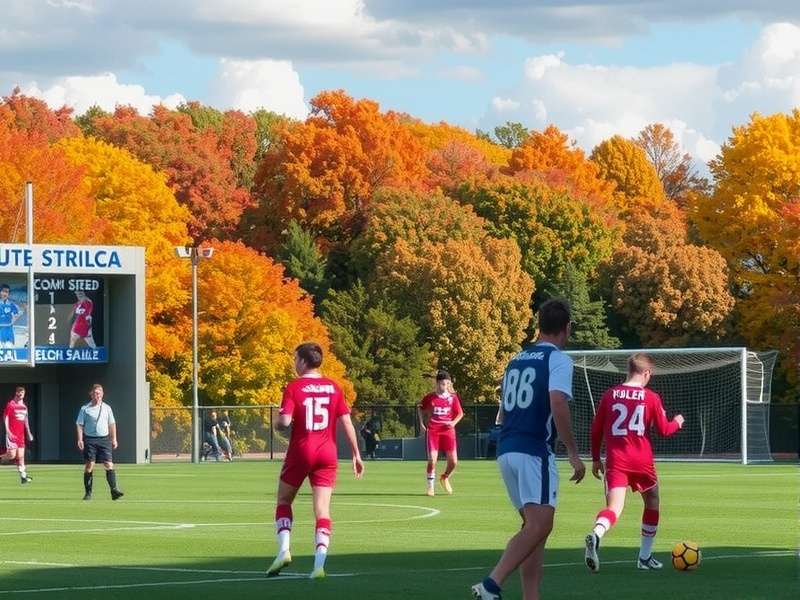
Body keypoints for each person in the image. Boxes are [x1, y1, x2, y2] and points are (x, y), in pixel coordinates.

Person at [473, 299, 586, 600]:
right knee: (541, 524)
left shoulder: (517, 359)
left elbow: (506, 409)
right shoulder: (559, 360)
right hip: (534, 450)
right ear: (567, 328)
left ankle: (530, 596)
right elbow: (558, 402)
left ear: (539, 326)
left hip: (507, 447)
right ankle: (491, 584)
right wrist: (573, 452)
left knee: (534, 529)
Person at [267, 342, 364, 580]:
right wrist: (356, 453)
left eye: (294, 358)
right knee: (322, 510)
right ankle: (319, 565)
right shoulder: (334, 387)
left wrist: (276, 421)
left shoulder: (294, 387)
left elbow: (285, 422)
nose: (293, 363)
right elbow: (346, 422)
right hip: (328, 453)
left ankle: (284, 550)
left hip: (301, 450)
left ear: (302, 361)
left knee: (283, 500)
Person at [584, 353, 685, 572]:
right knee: (652, 502)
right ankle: (644, 557)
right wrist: (677, 422)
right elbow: (664, 430)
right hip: (642, 461)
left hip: (616, 461)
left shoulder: (610, 395)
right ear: (646, 373)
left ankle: (597, 533)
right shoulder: (651, 397)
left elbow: (596, 430)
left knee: (614, 507)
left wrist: (594, 459)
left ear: (628, 371)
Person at [418, 370, 464, 496]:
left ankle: (445, 477)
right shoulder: (430, 397)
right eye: (443, 384)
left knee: (453, 461)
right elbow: (420, 409)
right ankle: (430, 487)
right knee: (432, 460)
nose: (446, 386)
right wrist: (422, 425)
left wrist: (453, 423)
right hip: (433, 430)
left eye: (448, 384)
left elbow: (460, 413)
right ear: (438, 383)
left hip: (448, 431)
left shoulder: (453, 398)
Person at [76, 383, 123, 500]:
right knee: (89, 465)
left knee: (108, 464)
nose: (97, 395)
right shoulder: (85, 409)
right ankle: (88, 493)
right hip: (90, 440)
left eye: (99, 393)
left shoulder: (107, 408)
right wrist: (80, 439)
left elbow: (112, 424)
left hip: (104, 440)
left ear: (102, 394)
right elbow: (79, 424)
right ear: (91, 394)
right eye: (95, 393)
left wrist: (114, 439)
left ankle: (114, 490)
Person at [3, 387, 33, 484]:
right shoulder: (11, 405)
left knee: (20, 456)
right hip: (12, 435)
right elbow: (5, 418)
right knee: (11, 456)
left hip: (21, 436)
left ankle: (23, 477)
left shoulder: (24, 407)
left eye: (22, 392)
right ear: (16, 393)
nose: (20, 394)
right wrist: (8, 431)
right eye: (19, 392)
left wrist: (28, 433)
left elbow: (26, 421)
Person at [0, 284, 22, 349]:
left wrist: (13, 320)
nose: (5, 294)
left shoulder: (11, 304)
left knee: (9, 349)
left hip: (9, 330)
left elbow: (17, 314)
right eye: (3, 291)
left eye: (7, 292)